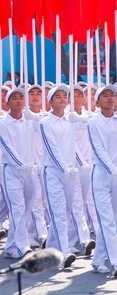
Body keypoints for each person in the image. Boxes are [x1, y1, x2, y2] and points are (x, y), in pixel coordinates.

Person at [38, 84, 90, 269]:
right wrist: (64, 168)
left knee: (67, 210)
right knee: (58, 212)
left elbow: (73, 145)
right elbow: (52, 149)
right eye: (57, 96)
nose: (62, 98)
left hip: (71, 172)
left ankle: (51, 249)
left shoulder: (70, 119)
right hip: (52, 172)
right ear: (50, 101)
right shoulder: (45, 122)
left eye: (64, 96)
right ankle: (65, 252)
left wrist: (81, 165)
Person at [87, 85, 117, 277]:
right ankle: (116, 261)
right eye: (104, 95)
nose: (109, 98)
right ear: (97, 102)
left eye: (112, 95)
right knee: (107, 220)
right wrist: (113, 170)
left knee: (112, 219)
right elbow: (99, 150)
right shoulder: (93, 122)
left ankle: (98, 259)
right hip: (102, 175)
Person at [0, 87, 40, 259]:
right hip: (11, 171)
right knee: (17, 208)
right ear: (8, 103)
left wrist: (36, 117)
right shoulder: (3, 123)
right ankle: (24, 246)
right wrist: (21, 164)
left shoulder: (30, 120)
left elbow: (47, 129)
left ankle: (11, 245)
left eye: (20, 98)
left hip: (30, 170)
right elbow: (7, 148)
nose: (18, 101)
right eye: (14, 98)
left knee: (27, 207)